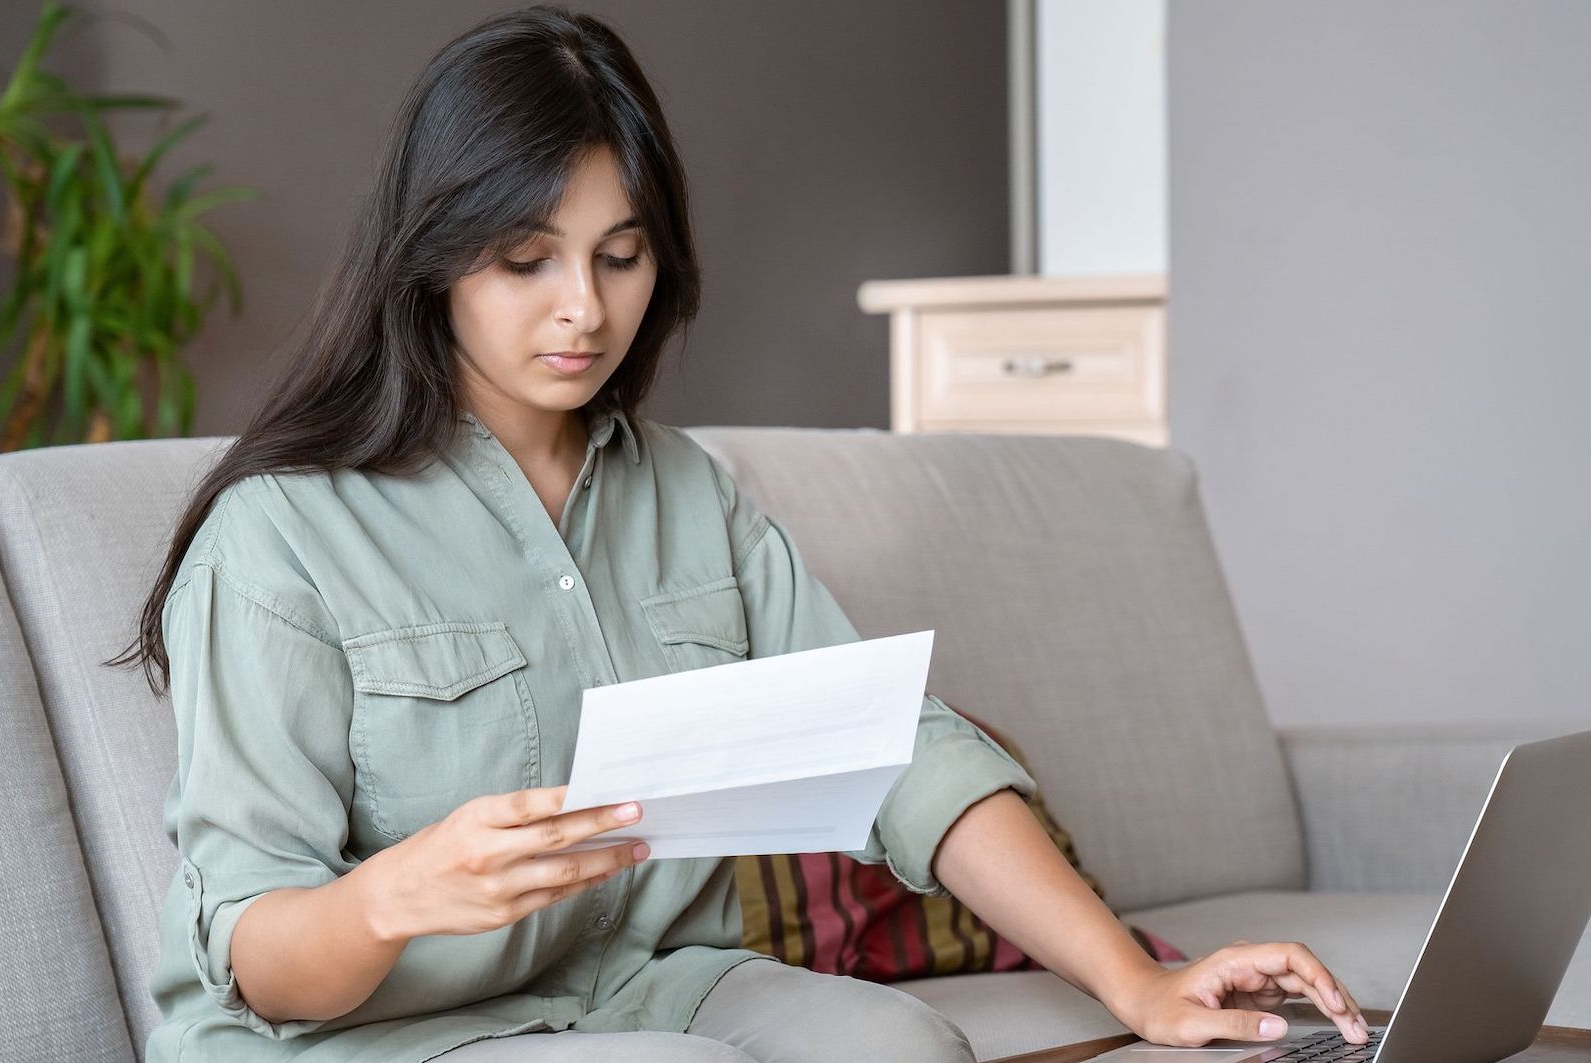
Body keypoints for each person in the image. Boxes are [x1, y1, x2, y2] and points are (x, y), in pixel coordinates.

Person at [114, 6, 1371, 1061]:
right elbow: (258, 958)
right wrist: (393, 896)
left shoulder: (687, 495)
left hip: (647, 982)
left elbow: (901, 751)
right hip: (364, 1035)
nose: (583, 309)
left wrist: (1138, 982)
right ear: (433, 260)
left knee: (910, 1047)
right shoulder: (280, 535)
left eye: (620, 256)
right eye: (526, 261)